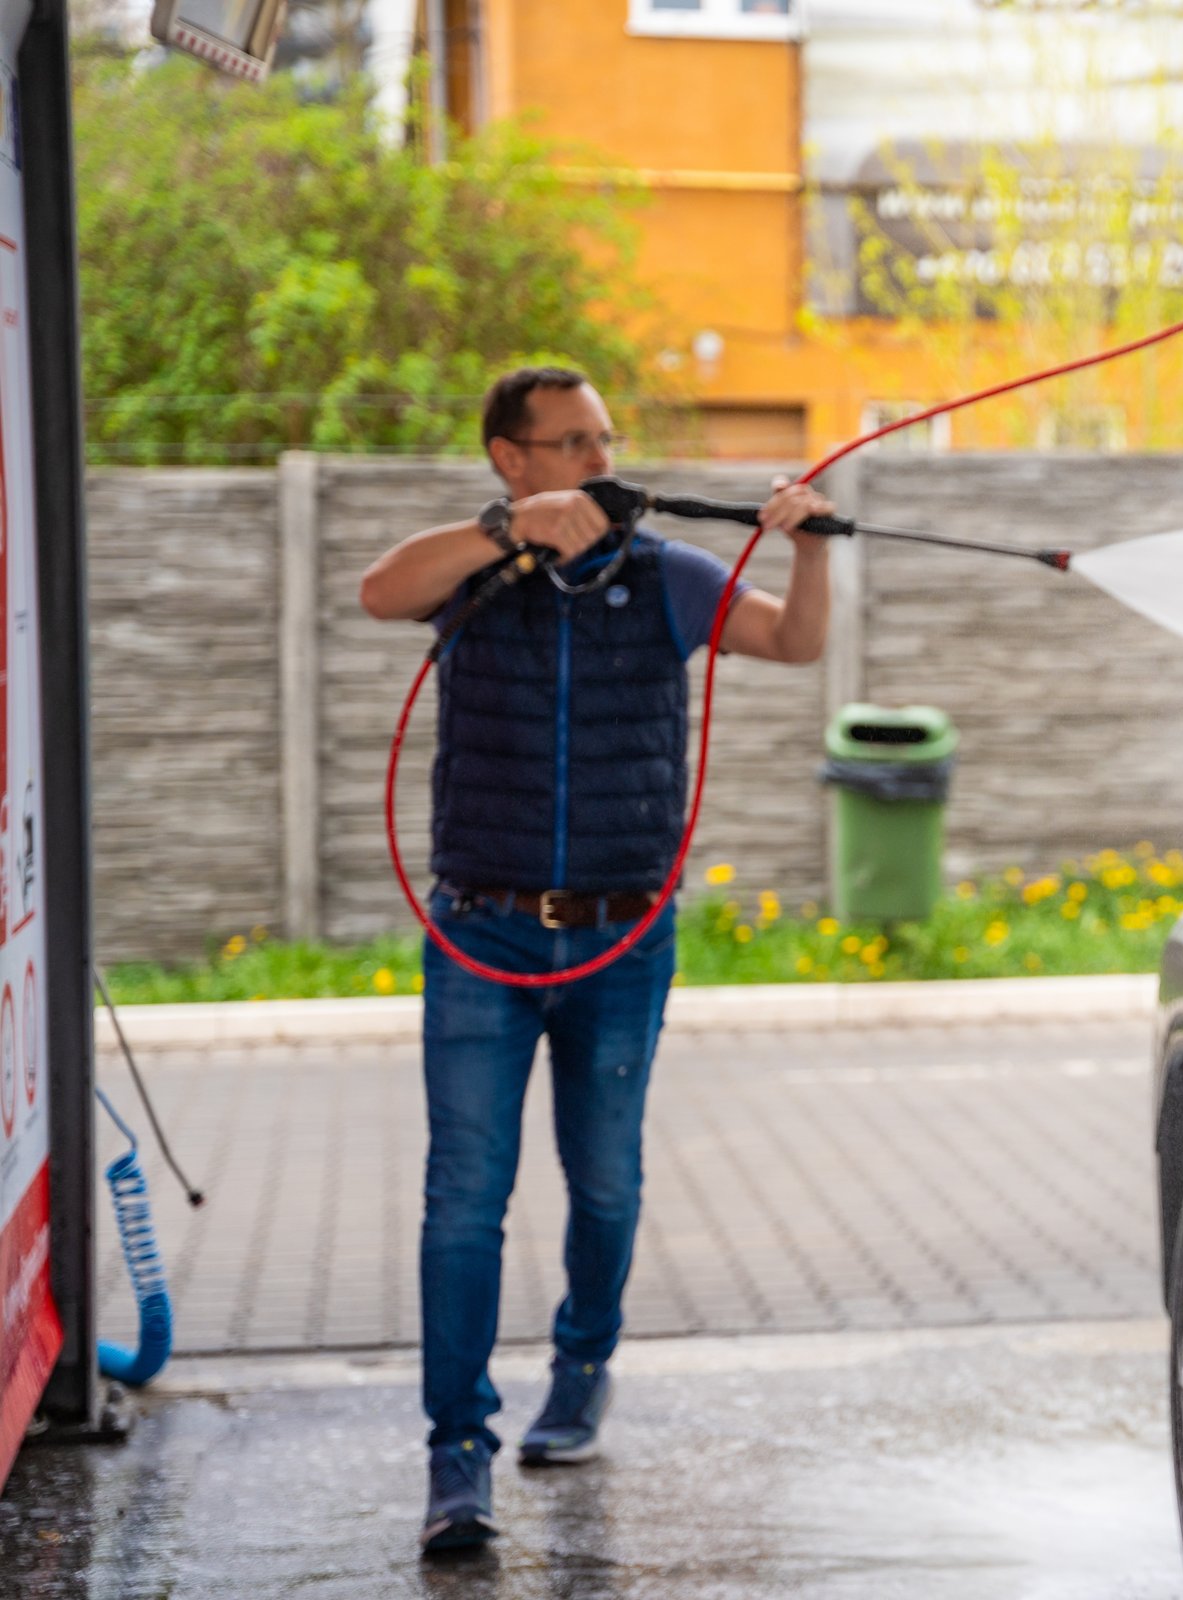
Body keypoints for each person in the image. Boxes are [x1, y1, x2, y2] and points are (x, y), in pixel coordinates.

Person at [358, 366, 835, 1553]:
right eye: (570, 443)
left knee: (605, 1177)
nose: (597, 459)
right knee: (464, 1195)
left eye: (606, 439)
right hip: (482, 925)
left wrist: (810, 545)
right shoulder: (474, 573)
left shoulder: (662, 575)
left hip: (623, 936)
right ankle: (456, 1454)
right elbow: (377, 591)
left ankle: (582, 1365)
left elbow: (793, 639)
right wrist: (497, 534)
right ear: (508, 458)